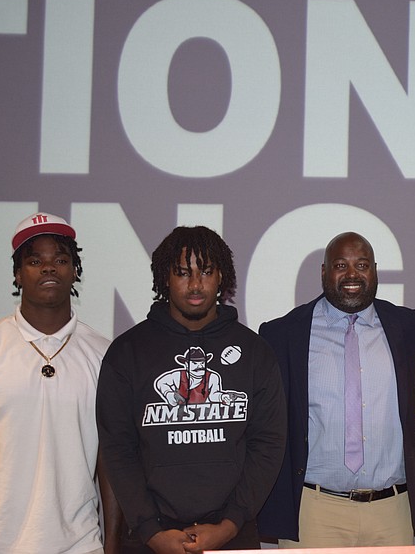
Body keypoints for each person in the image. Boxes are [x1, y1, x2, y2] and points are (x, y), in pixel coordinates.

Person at [96, 225, 286, 554]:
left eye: (206, 272)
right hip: (148, 538)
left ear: (221, 278)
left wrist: (229, 525)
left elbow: (268, 445)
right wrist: (151, 530)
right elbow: (117, 450)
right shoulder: (127, 352)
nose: (196, 284)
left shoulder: (254, 352)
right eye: (183, 273)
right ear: (164, 278)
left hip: (231, 534)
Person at [0, 212, 118, 554]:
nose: (49, 268)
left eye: (61, 260)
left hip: (80, 546)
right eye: (35, 261)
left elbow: (109, 461)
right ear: (18, 275)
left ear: (74, 270)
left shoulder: (104, 354)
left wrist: (112, 545)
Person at [257, 231, 415, 547]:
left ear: (375, 271)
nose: (352, 274)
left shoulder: (408, 327)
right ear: (324, 272)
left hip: (391, 510)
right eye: (341, 265)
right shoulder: (283, 333)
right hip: (314, 510)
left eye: (362, 265)